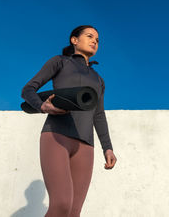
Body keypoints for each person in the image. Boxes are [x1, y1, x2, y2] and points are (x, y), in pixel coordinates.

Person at [21, 25, 117, 217]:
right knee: (62, 204)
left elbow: (98, 114)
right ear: (74, 40)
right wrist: (42, 106)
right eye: (89, 36)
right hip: (57, 136)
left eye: (97, 40)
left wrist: (108, 147)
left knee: (74, 212)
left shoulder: (99, 79)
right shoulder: (60, 62)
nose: (94, 41)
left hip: (86, 146)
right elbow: (27, 90)